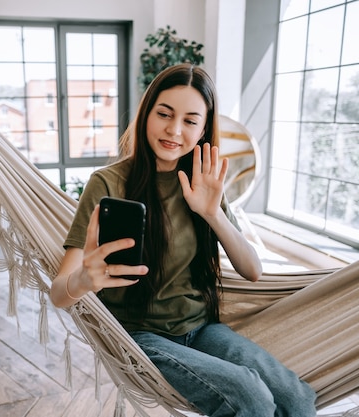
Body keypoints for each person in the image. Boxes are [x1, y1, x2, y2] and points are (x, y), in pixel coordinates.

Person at [50, 63, 317, 416]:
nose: (174, 130)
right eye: (164, 114)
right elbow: (58, 293)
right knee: (249, 397)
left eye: (190, 121)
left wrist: (212, 212)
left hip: (202, 329)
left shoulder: (203, 182)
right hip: (139, 336)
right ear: (147, 114)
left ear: (204, 129)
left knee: (296, 398)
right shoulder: (107, 184)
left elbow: (252, 270)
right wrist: (84, 279)